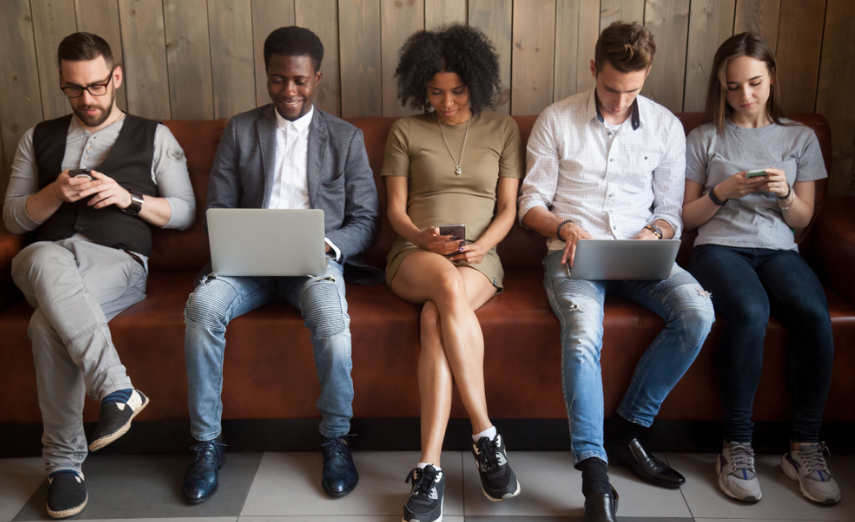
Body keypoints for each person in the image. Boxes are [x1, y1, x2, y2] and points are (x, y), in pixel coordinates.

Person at [518, 22, 715, 522]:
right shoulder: (556, 119)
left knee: (698, 312)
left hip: (642, 255)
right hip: (574, 255)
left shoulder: (667, 126)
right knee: (583, 333)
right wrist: (563, 227)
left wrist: (654, 234)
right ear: (593, 70)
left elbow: (671, 210)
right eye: (610, 88)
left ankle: (628, 428)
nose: (619, 101)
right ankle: (594, 473)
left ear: (646, 75)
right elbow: (529, 203)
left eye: (632, 90)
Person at [181, 26, 380, 504]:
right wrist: (234, 241)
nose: (288, 92)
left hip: (314, 262)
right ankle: (206, 443)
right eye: (277, 80)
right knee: (201, 310)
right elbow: (219, 208)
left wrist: (328, 247)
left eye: (298, 81)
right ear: (266, 76)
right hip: (246, 265)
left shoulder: (346, 138)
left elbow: (367, 219)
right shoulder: (242, 129)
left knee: (333, 322)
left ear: (317, 78)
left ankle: (336, 439)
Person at [3, 32, 196, 518]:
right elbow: (12, 218)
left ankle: (64, 464)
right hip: (45, 257)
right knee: (43, 258)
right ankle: (115, 389)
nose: (86, 100)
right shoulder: (37, 137)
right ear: (62, 84)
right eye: (73, 89)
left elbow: (185, 212)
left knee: (46, 324)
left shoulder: (154, 135)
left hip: (117, 261)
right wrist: (53, 195)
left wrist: (128, 199)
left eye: (95, 87)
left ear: (116, 77)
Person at [683, 32, 839, 506]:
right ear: (720, 87)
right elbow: (685, 217)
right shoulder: (705, 137)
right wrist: (721, 193)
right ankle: (737, 445)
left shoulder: (800, 137)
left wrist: (785, 194)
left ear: (770, 76)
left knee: (814, 314)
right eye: (732, 87)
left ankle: (804, 447)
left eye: (753, 83)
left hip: (779, 250)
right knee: (749, 312)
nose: (744, 96)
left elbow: (804, 219)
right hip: (718, 249)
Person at [383, 24, 523, 522]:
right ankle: (486, 434)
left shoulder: (503, 129)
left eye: (458, 91)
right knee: (441, 286)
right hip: (416, 253)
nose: (446, 102)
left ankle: (429, 468)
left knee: (432, 321)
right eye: (436, 92)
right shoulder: (406, 131)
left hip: (480, 257)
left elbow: (508, 208)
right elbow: (396, 212)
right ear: (421, 85)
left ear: (476, 85)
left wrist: (484, 244)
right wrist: (423, 239)